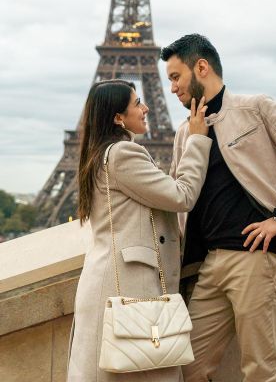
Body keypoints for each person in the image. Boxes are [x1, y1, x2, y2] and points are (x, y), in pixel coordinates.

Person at [160, 34, 276, 382]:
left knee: (260, 371)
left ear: (202, 68)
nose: (173, 88)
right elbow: (178, 197)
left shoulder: (254, 108)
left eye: (176, 77)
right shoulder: (184, 134)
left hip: (257, 258)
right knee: (187, 369)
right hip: (210, 264)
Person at [67, 79, 211, 382]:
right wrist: (196, 140)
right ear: (119, 117)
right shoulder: (122, 153)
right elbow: (181, 196)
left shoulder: (98, 154)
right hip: (130, 290)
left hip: (109, 285)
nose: (146, 108)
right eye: (137, 103)